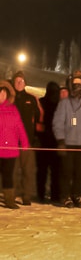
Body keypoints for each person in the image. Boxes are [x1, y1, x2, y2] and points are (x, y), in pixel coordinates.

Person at [53, 71, 81, 208]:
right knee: (66, 171)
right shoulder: (64, 104)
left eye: (80, 84)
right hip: (68, 143)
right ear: (70, 86)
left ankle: (77, 195)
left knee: (79, 172)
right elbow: (57, 123)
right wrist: (60, 141)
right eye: (75, 84)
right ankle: (65, 196)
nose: (77, 87)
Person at [10, 72, 41, 206]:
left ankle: (26, 196)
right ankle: (11, 195)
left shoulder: (31, 99)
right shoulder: (9, 99)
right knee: (12, 171)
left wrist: (36, 136)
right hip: (11, 142)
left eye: (21, 81)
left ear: (25, 83)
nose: (19, 83)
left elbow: (38, 119)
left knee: (28, 171)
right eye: (17, 81)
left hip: (27, 141)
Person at [0, 80, 30, 210]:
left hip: (10, 149)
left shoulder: (13, 109)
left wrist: (24, 142)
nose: (1, 95)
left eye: (3, 93)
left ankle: (9, 200)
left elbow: (19, 127)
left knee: (8, 175)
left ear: (7, 95)